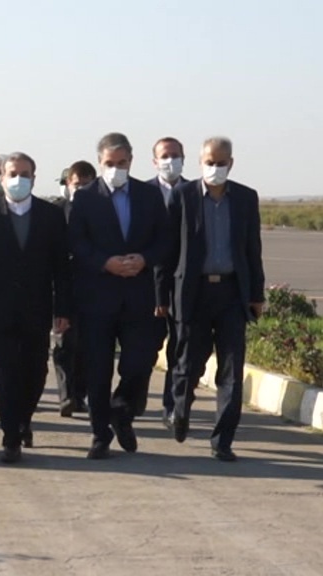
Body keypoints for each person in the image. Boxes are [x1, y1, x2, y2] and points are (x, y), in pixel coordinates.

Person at [0, 152, 71, 463]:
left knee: (35, 371)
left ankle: (24, 420)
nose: (18, 180)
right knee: (6, 373)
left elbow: (61, 267)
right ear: (2, 177)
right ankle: (10, 437)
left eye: (25, 174)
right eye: (12, 173)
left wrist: (64, 309)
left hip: (37, 308)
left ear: (34, 179)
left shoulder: (51, 215)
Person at [161, 137, 265, 462]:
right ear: (200, 162)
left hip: (232, 294)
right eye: (210, 162)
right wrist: (162, 295)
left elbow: (253, 249)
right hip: (194, 293)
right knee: (188, 364)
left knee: (231, 370)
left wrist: (257, 294)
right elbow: (167, 251)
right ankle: (180, 411)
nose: (215, 168)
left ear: (230, 164)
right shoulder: (183, 196)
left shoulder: (245, 198)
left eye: (221, 163)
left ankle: (222, 440)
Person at [68, 132, 169, 459]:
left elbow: (165, 241)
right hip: (98, 297)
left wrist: (145, 259)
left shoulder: (149, 196)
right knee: (97, 370)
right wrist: (104, 262)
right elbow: (76, 243)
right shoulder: (85, 198)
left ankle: (121, 410)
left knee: (139, 362)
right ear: (100, 163)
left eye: (122, 163)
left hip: (138, 296)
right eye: (110, 163)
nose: (116, 169)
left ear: (131, 161)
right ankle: (100, 434)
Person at [142, 136, 197, 423]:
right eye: (164, 156)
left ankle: (172, 407)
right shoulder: (142, 194)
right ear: (154, 161)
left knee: (179, 349)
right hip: (147, 285)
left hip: (182, 286)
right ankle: (136, 397)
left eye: (175, 156)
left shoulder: (194, 193)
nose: (170, 161)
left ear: (184, 159)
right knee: (145, 348)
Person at [52, 160, 96, 417]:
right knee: (64, 344)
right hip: (64, 285)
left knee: (87, 346)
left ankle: (80, 395)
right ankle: (67, 395)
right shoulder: (56, 211)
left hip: (91, 285)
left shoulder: (101, 211)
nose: (80, 190)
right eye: (77, 184)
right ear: (68, 184)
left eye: (86, 185)